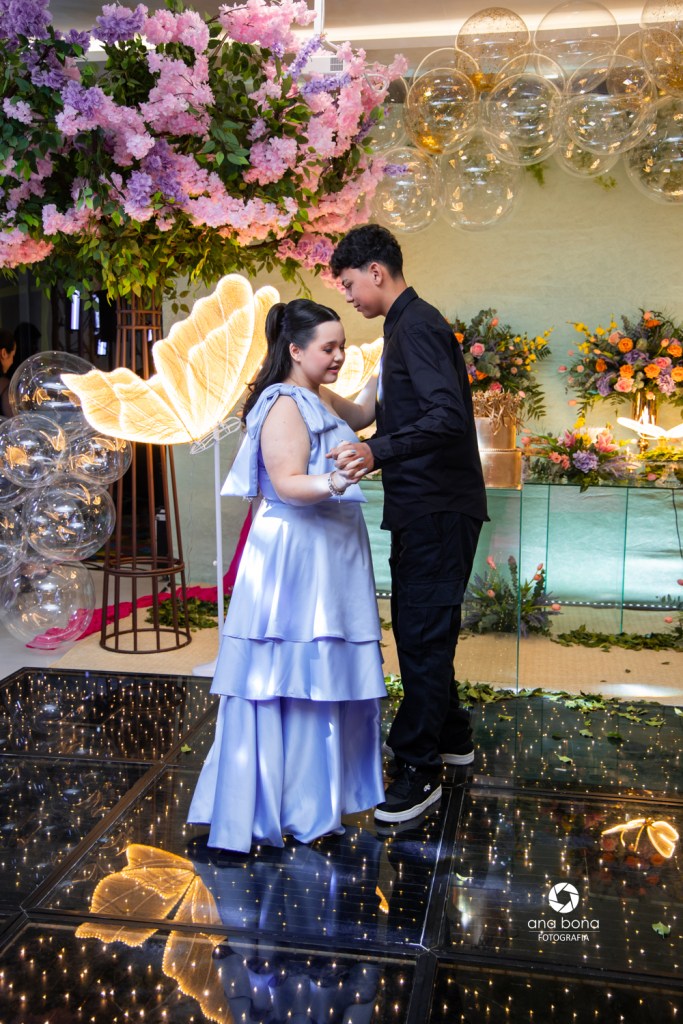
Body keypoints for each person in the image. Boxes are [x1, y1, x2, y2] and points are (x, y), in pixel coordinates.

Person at [188, 298, 386, 852]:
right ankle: (289, 805)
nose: (339, 356)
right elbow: (288, 483)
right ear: (295, 350)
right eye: (330, 348)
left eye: (342, 346)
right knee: (291, 676)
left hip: (325, 550)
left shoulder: (317, 394)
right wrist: (338, 480)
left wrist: (386, 361)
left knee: (315, 675)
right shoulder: (282, 403)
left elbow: (362, 414)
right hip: (296, 554)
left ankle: (309, 801)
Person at [329, 224, 488, 826]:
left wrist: (376, 451)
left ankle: (418, 770)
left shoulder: (416, 327)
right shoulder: (405, 327)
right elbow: (397, 413)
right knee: (425, 631)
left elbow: (448, 417)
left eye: (350, 284)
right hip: (429, 506)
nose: (349, 296)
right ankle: (452, 736)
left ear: (376, 271)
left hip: (438, 509)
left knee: (421, 637)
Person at [0, 329, 17, 418]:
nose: (12, 361)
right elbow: (14, 421)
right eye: (12, 356)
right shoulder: (4, 385)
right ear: (4, 353)